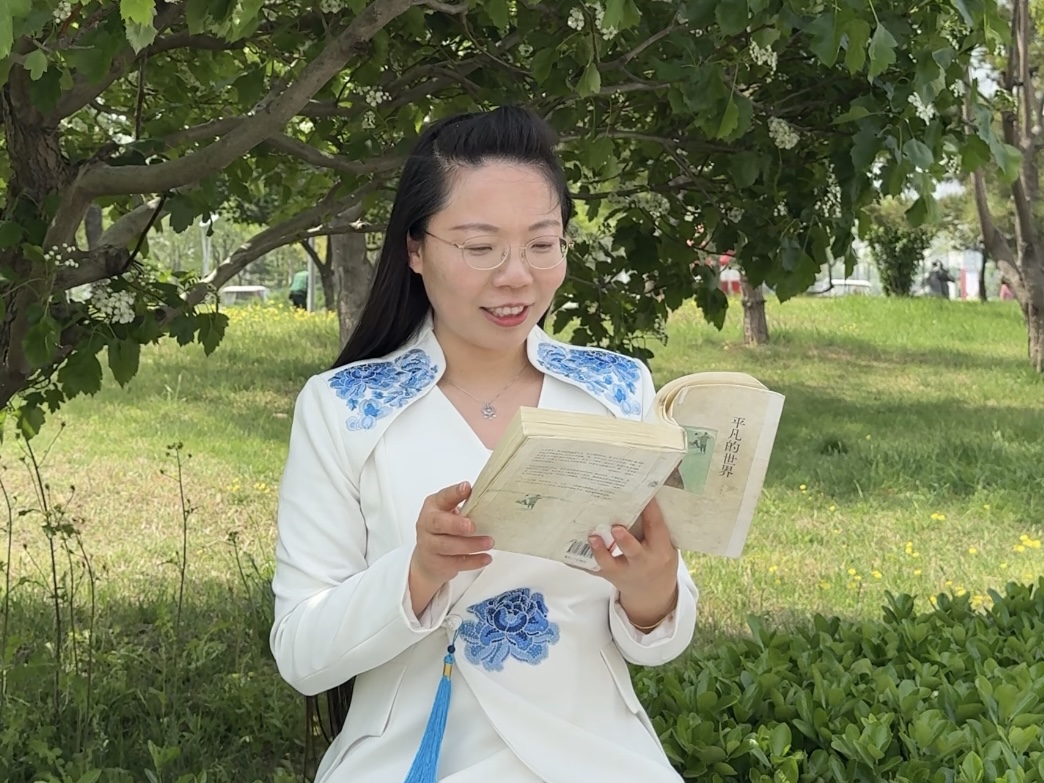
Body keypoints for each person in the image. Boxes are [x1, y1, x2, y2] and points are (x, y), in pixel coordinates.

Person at [269, 106, 699, 783]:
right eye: (479, 248)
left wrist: (653, 594)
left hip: (596, 756)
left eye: (541, 244)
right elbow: (301, 651)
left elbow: (659, 639)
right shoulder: (345, 406)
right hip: (416, 753)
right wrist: (418, 572)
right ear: (415, 249)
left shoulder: (616, 390)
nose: (516, 276)